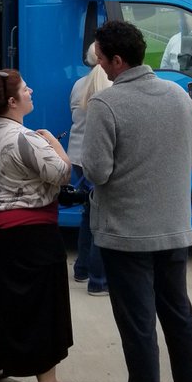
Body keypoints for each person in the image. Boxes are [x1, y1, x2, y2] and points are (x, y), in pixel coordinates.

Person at [82, 20, 192, 382]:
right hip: (174, 229)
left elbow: (97, 171)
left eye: (101, 58)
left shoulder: (106, 106)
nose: (99, 65)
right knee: (179, 317)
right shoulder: (178, 95)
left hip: (126, 235)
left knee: (139, 329)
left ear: (117, 61)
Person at [0, 69, 75, 382]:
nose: (31, 90)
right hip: (31, 234)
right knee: (42, 304)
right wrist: (56, 145)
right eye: (25, 88)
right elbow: (61, 174)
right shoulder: (26, 138)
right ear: (13, 101)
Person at [68, 43, 110, 296]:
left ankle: (82, 269)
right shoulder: (113, 87)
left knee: (88, 214)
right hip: (99, 159)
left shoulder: (77, 86)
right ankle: (99, 280)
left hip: (77, 157)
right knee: (101, 222)